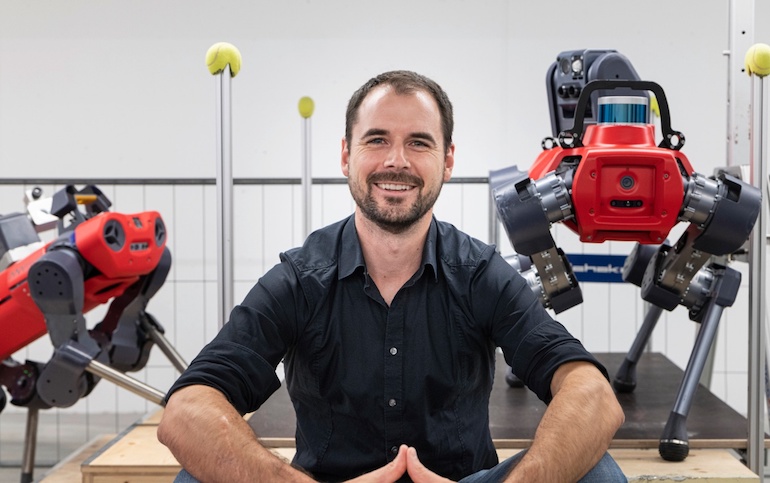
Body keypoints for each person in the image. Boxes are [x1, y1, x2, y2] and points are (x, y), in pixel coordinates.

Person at [157, 70, 626, 482]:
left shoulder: (480, 274)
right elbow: (187, 411)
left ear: (447, 160)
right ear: (347, 156)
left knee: (598, 472)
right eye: (377, 139)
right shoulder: (300, 279)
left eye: (418, 142)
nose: (396, 160)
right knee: (196, 476)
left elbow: (592, 395)